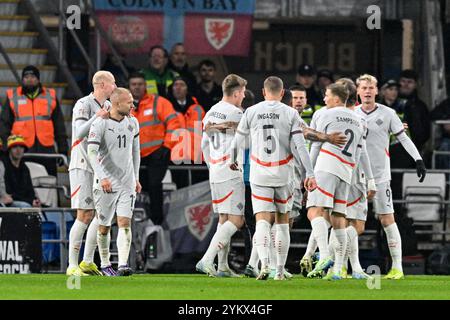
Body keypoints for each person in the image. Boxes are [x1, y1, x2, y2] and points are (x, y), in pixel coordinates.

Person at [230, 76, 317, 280]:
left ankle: (264, 266)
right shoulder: (290, 113)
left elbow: (238, 140)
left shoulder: (251, 112)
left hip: (259, 172)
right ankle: (279, 270)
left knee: (262, 220)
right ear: (281, 93)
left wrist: (233, 159)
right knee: (282, 221)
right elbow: (300, 147)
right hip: (283, 173)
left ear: (263, 92)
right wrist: (310, 173)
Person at [355, 74, 426, 279]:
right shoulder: (351, 114)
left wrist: (418, 159)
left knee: (387, 219)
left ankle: (397, 267)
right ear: (358, 91)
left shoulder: (388, 113)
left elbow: (403, 138)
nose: (367, 91)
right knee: (350, 221)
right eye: (364, 88)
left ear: (377, 91)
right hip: (355, 176)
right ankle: (344, 266)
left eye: (371, 88)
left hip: (379, 176)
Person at [195, 74, 247, 278]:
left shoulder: (211, 112)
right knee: (237, 219)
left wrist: (212, 165)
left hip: (215, 170)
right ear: (236, 93)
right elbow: (246, 143)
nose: (243, 96)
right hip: (231, 170)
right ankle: (207, 259)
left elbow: (203, 145)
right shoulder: (236, 113)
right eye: (242, 92)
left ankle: (223, 266)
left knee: (224, 218)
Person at [87, 88, 141, 276]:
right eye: (129, 102)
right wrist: (102, 177)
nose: (133, 105)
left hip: (127, 182)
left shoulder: (133, 122)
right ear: (117, 104)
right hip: (106, 182)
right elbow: (92, 153)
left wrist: (136, 178)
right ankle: (104, 263)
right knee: (104, 226)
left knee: (125, 222)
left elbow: (136, 152)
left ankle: (124, 264)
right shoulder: (100, 124)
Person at [67, 71, 116, 277]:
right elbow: (79, 132)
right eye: (113, 83)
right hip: (82, 164)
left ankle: (87, 261)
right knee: (84, 214)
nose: (115, 86)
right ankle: (71, 265)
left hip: (99, 166)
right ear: (103, 84)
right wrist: (97, 117)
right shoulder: (83, 104)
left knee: (101, 214)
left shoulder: (106, 106)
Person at [130, 72, 181, 224]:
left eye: (140, 84)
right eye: (134, 84)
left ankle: (157, 222)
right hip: (133, 156)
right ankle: (135, 221)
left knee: (154, 186)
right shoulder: (124, 104)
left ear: (145, 86)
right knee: (135, 188)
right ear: (129, 86)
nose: (137, 87)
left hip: (157, 154)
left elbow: (174, 124)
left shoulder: (158, 102)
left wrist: (166, 146)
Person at [0, 65, 68, 177]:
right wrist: (8, 147)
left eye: (33, 76)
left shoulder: (49, 96)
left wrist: (63, 149)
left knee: (49, 183)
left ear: (38, 79)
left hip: (46, 149)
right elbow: (4, 124)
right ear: (22, 79)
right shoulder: (13, 96)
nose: (30, 79)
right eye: (26, 76)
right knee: (22, 183)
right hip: (22, 149)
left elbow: (59, 125)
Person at [168, 76, 206, 188]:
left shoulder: (198, 109)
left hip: (197, 157)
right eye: (176, 85)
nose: (178, 88)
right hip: (176, 157)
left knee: (198, 192)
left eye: (182, 85)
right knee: (180, 191)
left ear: (187, 89)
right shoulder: (167, 108)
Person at [397, 69, 431, 153]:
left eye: (410, 82)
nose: (406, 85)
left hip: (413, 149)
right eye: (403, 81)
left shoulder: (420, 106)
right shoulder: (389, 103)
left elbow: (426, 131)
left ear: (415, 85)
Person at [3, 135, 41, 208]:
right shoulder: (4, 167)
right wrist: (30, 201)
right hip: (9, 203)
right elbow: (9, 193)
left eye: (21, 147)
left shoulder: (25, 168)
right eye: (14, 147)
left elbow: (30, 190)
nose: (18, 150)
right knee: (26, 206)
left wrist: (34, 200)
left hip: (25, 201)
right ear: (9, 150)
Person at [430, 97, 450, 168]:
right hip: (448, 138)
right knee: (444, 147)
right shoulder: (447, 103)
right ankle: (447, 177)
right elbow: (433, 114)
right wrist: (446, 119)